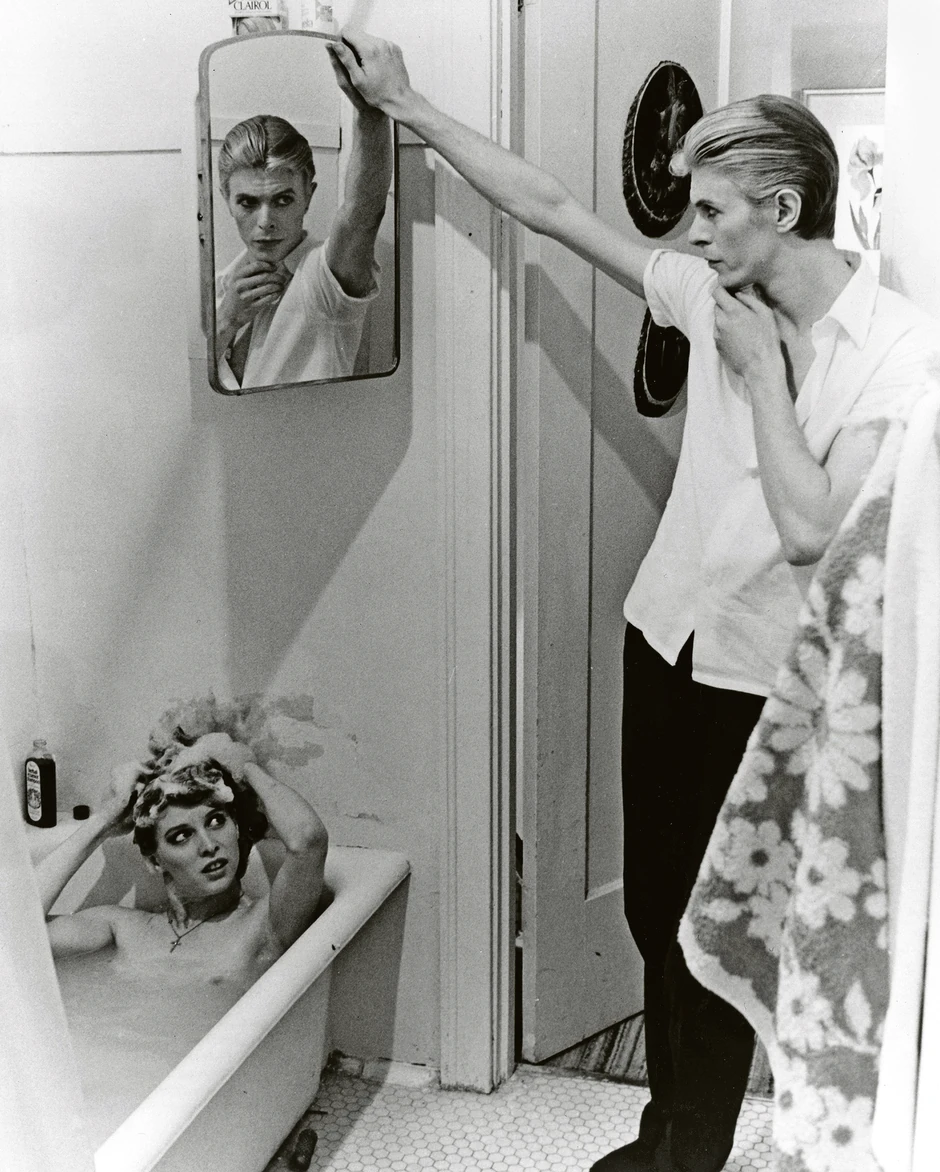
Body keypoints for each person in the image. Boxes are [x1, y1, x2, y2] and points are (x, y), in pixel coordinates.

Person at [326, 30, 940, 1172]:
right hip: (664, 637)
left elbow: (812, 528)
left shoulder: (902, 353)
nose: (690, 234)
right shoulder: (710, 289)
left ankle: (692, 1150)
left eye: (711, 210)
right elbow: (553, 207)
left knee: (732, 923)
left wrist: (762, 379)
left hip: (771, 679)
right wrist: (408, 107)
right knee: (654, 909)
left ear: (785, 206)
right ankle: (668, 1132)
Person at [39, 732, 328, 986]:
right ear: (154, 861)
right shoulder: (122, 929)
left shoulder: (264, 925)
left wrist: (242, 767)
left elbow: (308, 838)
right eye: (181, 836)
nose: (208, 846)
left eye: (216, 821)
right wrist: (105, 820)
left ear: (236, 828)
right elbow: (17, 937)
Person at [214, 80, 393, 390]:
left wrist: (371, 112)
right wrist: (227, 321)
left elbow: (362, 211)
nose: (265, 222)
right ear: (226, 200)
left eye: (283, 200)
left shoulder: (323, 279)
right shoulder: (219, 287)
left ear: (308, 196)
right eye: (248, 203)